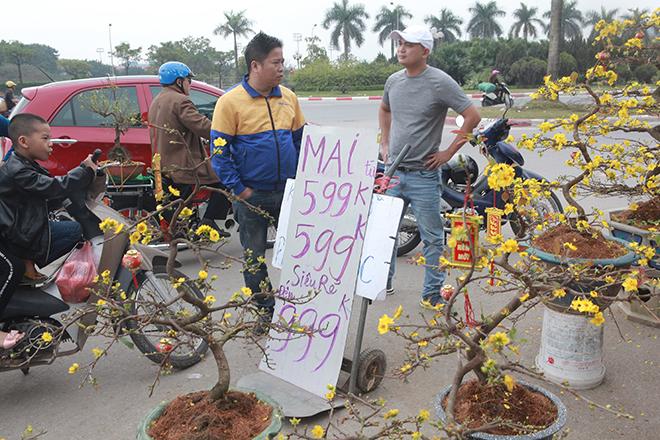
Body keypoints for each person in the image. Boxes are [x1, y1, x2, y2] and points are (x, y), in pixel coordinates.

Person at [380, 25, 481, 307]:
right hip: (394, 174)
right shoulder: (393, 82)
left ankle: (432, 294)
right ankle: (381, 283)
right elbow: (385, 109)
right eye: (399, 43)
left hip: (424, 175)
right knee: (386, 233)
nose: (401, 48)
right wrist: (385, 145)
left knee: (434, 239)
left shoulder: (440, 82)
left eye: (408, 44)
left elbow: (472, 116)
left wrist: (449, 151)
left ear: (425, 51)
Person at [211, 32, 306, 327]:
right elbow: (219, 154)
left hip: (290, 193)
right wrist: (241, 191)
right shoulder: (230, 102)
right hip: (253, 196)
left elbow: (302, 142)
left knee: (300, 253)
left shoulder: (288, 97)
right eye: (275, 63)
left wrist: (302, 180)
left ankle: (302, 308)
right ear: (256, 65)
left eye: (283, 62)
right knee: (254, 259)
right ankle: (266, 313)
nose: (282, 68)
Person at [0, 113, 98, 284]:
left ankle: (27, 260)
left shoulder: (22, 163)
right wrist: (85, 172)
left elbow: (49, 187)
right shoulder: (20, 171)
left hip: (21, 225)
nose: (50, 144)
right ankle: (25, 260)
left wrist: (82, 170)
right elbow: (53, 187)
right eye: (45, 138)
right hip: (18, 231)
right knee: (73, 230)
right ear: (23, 142)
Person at [148, 62, 231, 236]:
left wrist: (195, 137)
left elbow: (176, 128)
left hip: (164, 163)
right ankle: (208, 223)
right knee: (224, 180)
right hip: (183, 165)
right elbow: (202, 125)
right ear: (179, 81)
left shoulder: (158, 100)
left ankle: (194, 224)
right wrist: (226, 132)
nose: (190, 85)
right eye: (188, 80)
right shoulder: (181, 100)